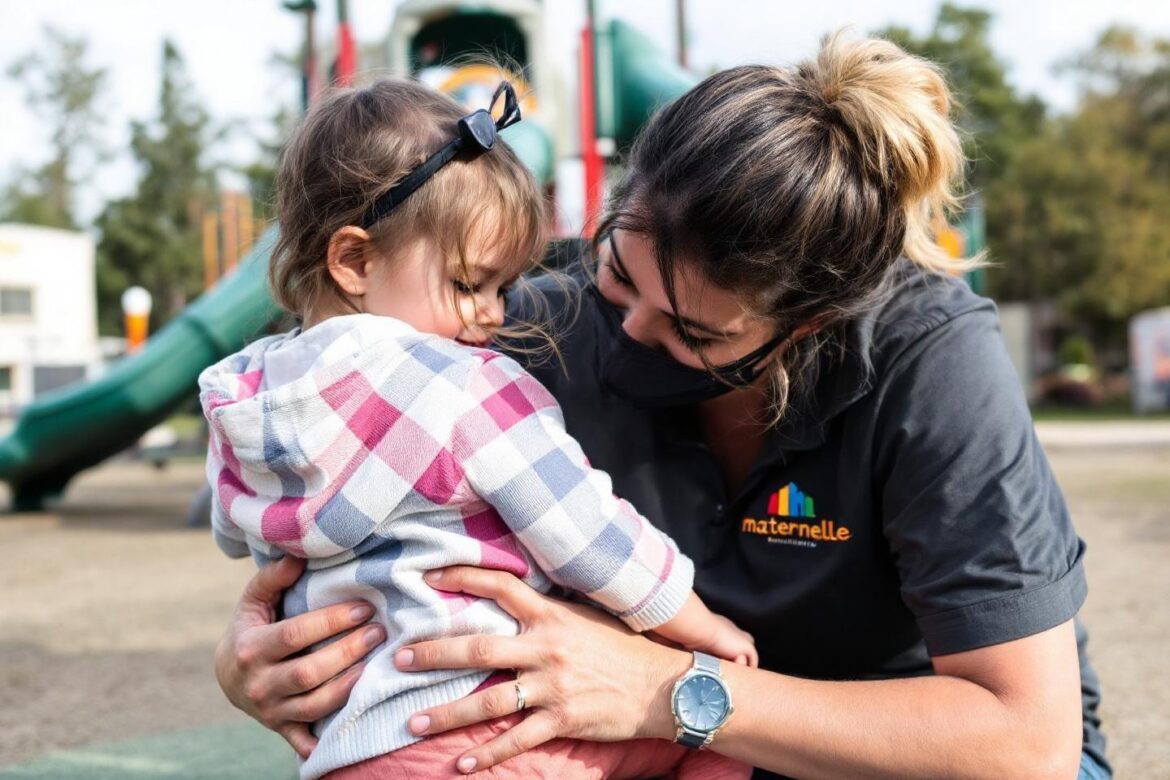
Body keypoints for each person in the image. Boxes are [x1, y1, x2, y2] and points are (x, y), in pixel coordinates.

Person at [213, 34, 1111, 780]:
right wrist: (252, 659)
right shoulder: (526, 326)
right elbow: (354, 465)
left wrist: (671, 690)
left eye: (694, 331)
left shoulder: (931, 361)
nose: (631, 329)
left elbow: (1025, 742)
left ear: (808, 327)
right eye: (616, 267)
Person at [198, 77, 754, 780]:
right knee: (721, 732)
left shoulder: (242, 399)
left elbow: (233, 530)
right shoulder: (467, 387)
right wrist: (699, 626)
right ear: (355, 261)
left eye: (502, 287)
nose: (493, 315)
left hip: (346, 744)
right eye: (470, 284)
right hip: (481, 721)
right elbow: (586, 532)